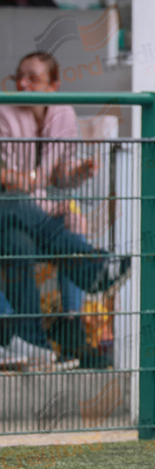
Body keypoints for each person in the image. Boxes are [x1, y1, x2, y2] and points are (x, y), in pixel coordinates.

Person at [0, 52, 96, 321]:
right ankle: (93, 267)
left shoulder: (64, 113)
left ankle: (71, 320)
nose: (22, 84)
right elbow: (10, 181)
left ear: (54, 85)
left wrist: (80, 171)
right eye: (19, 77)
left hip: (42, 206)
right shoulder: (4, 111)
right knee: (18, 239)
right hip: (12, 208)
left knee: (75, 221)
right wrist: (30, 181)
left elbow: (59, 178)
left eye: (33, 78)